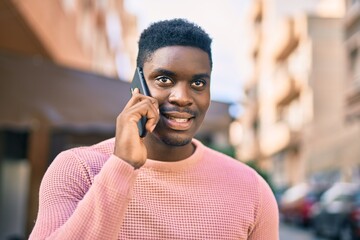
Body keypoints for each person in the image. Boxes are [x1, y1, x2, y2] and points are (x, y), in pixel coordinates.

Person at [29, 18, 279, 239]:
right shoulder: (77, 169)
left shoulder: (251, 188)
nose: (182, 97)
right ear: (137, 85)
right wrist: (122, 165)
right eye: (164, 79)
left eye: (198, 83)